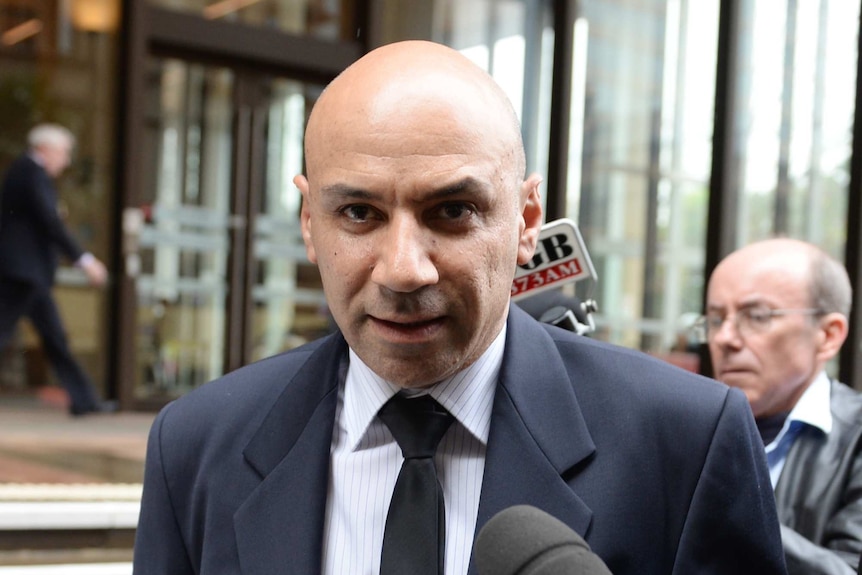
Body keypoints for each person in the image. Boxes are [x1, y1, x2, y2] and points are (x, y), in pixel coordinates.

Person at [132, 41, 786, 574]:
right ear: (309, 219)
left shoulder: (686, 443)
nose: (403, 269)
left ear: (527, 220)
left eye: (452, 211)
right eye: (358, 213)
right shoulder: (195, 447)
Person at [705, 237, 862, 574]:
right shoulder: (688, 426)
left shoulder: (856, 438)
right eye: (716, 319)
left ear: (828, 335)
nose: (724, 338)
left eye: (756, 316)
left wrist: (721, 503)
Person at [0, 123, 113, 416]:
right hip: (21, 273)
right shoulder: (29, 172)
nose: (66, 160)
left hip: (31, 273)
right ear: (45, 149)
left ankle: (85, 401)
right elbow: (51, 223)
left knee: (56, 338)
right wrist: (85, 260)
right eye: (63, 152)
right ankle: (85, 400)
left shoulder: (31, 174)